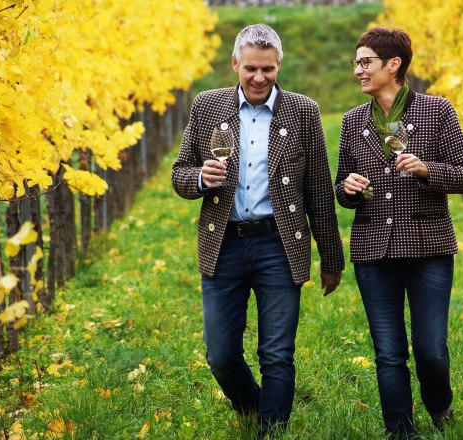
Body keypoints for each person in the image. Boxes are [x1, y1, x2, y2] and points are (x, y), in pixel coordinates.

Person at [171, 24, 344, 438]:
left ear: (278, 64)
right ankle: (255, 408)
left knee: (277, 354)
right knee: (221, 355)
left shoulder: (303, 110)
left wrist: (331, 259)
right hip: (224, 243)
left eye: (268, 69)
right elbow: (179, 176)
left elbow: (319, 190)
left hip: (279, 244)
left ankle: (272, 430)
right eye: (251, 68)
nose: (259, 78)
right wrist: (200, 177)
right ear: (235, 64)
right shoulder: (207, 106)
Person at [335, 27, 463, 439]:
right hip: (373, 251)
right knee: (388, 353)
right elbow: (343, 184)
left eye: (365, 62)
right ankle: (400, 430)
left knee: (431, 350)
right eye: (356, 63)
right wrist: (349, 189)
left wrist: (428, 170)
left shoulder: (437, 111)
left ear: (393, 65)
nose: (358, 70)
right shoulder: (351, 121)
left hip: (428, 248)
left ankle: (440, 406)